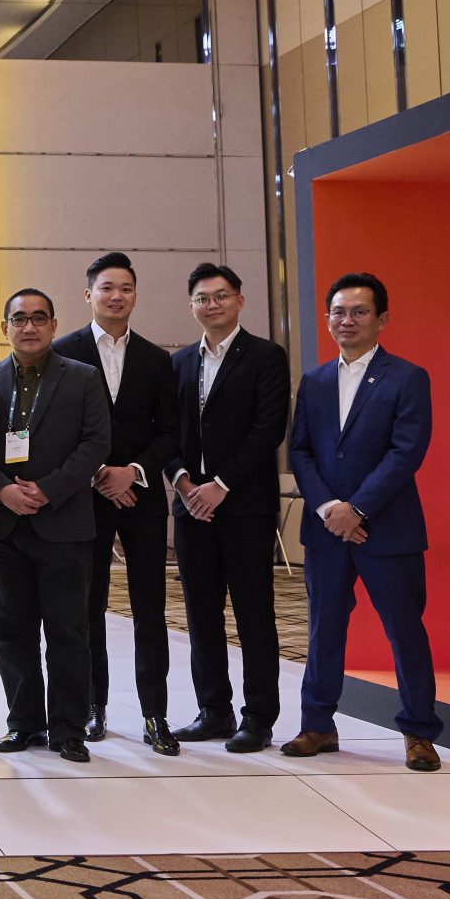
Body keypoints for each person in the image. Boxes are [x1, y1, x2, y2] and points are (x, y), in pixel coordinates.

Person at [285, 273, 440, 771]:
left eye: (358, 312)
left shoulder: (407, 377)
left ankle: (419, 732)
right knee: (323, 629)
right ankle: (317, 725)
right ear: (327, 318)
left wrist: (357, 509)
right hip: (326, 530)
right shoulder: (314, 381)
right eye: (338, 312)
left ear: (381, 319)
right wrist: (329, 508)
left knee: (404, 630)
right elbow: (301, 451)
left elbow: (406, 451)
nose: (346, 320)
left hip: (387, 528)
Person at [0, 289, 111, 764]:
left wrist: (49, 489)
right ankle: (24, 723)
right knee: (11, 630)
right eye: (19, 319)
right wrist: (1, 489)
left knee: (69, 631)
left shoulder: (83, 377)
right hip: (4, 524)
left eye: (38, 318)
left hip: (64, 520)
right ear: (4, 327)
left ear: (53, 325)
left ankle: (68, 729)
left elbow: (96, 442)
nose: (28, 327)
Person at [52, 253, 182, 756]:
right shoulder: (63, 352)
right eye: (107, 288)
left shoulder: (157, 359)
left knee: (151, 608)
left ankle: (155, 713)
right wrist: (99, 475)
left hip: (141, 496)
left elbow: (168, 431)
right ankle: (93, 706)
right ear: (89, 295)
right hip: (83, 499)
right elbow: (58, 432)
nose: (116, 296)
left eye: (125, 288)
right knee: (88, 607)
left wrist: (133, 472)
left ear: (135, 295)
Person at [167, 262, 291, 753]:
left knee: (253, 613)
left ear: (240, 300)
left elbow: (268, 428)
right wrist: (182, 482)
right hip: (190, 508)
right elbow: (165, 431)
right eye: (202, 297)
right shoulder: (178, 362)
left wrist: (220, 485)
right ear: (191, 306)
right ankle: (213, 711)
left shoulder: (265, 356)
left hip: (244, 508)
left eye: (221, 295)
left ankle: (258, 717)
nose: (212, 304)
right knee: (201, 614)